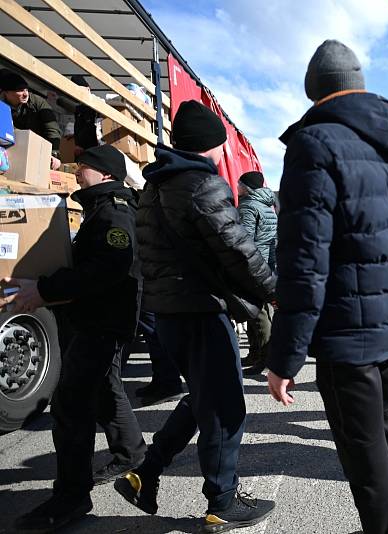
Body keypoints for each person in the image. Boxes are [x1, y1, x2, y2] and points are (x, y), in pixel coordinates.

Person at [266, 40, 388, 534]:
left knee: (361, 446)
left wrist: (284, 356)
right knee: (385, 426)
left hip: (346, 331)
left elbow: (305, 262)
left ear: (314, 90)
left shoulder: (316, 145)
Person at [113, 100, 277, 531]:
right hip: (201, 313)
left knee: (202, 397)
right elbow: (238, 250)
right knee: (224, 408)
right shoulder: (202, 185)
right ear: (211, 147)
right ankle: (222, 502)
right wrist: (277, 292)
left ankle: (143, 473)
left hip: (168, 315)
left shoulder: (154, 187)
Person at [4, 144, 144, 531]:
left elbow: (110, 267)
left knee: (70, 407)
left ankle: (71, 497)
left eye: (84, 167)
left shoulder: (114, 210)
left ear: (104, 173)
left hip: (102, 321)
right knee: (104, 390)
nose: (78, 171)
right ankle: (131, 453)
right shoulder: (101, 208)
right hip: (98, 318)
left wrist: (47, 290)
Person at [236, 170, 278, 376]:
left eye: (239, 183)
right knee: (261, 310)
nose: (237, 186)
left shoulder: (248, 206)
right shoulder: (267, 205)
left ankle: (264, 357)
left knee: (256, 311)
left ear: (247, 187)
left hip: (252, 264)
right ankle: (257, 354)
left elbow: (244, 239)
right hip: (266, 264)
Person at [0, 68, 62, 170]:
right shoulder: (1, 106)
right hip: (12, 153)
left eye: (26, 89)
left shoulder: (37, 102)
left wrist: (53, 153)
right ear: (6, 92)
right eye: (19, 90)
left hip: (42, 148)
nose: (25, 94)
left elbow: (52, 129)